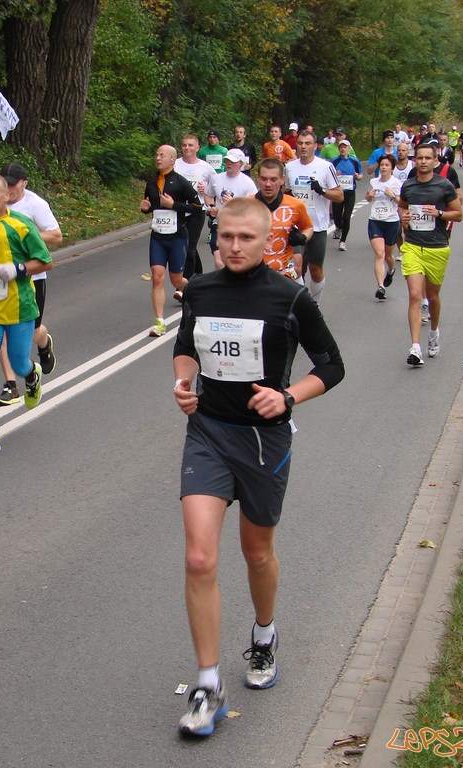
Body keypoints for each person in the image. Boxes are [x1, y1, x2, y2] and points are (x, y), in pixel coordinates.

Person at [171, 196, 344, 737]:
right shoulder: (198, 290)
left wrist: (288, 397)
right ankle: (207, 684)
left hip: (265, 442)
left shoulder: (289, 298)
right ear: (215, 237)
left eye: (246, 238)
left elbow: (332, 365)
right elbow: (185, 347)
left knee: (256, 550)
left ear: (267, 239)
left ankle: (265, 635)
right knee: (200, 558)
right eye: (226, 237)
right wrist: (182, 382)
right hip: (208, 435)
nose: (235, 246)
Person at [0, 172, 53, 451]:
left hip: (19, 308)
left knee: (18, 364)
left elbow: (45, 261)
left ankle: (31, 375)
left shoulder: (20, 225)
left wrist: (17, 269)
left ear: (6, 196)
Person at [0, 163, 62, 407]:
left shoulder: (35, 205)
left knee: (33, 333)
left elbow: (56, 236)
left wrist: (24, 234)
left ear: (24, 183)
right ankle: (11, 385)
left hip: (31, 279)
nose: (9, 188)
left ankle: (44, 343)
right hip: (0, 279)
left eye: (13, 183)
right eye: (5, 183)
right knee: (0, 332)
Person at [398, 143, 463, 366]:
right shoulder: (408, 186)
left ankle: (434, 331)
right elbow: (402, 207)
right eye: (419, 158)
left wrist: (440, 213)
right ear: (415, 161)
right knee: (416, 295)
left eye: (427, 158)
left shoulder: (444, 186)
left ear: (435, 161)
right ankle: (415, 347)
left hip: (437, 246)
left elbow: (459, 214)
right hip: (413, 246)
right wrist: (404, 218)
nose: (423, 161)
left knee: (433, 296)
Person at [141, 145, 201, 336]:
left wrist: (174, 204)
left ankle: (197, 294)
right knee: (157, 277)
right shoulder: (151, 183)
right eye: (156, 155)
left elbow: (197, 207)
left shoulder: (181, 182)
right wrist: (145, 208)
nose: (158, 158)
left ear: (172, 160)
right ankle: (159, 322)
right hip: (158, 238)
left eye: (162, 155)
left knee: (177, 279)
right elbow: (150, 206)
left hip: (177, 238)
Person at [285, 129, 343, 304]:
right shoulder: (289, 167)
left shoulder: (325, 167)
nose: (303, 147)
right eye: (300, 143)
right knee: (295, 268)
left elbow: (340, 195)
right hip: (295, 226)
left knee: (315, 269)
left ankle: (315, 304)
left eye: (307, 143)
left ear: (316, 146)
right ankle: (303, 305)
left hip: (317, 226)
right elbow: (286, 193)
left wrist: (322, 191)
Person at [252, 157, 312, 282]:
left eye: (273, 179)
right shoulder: (246, 204)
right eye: (264, 179)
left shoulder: (296, 204)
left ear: (282, 180)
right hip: (254, 273)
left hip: (285, 273)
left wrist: (302, 238)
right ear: (258, 178)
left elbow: (308, 227)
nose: (268, 184)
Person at [203, 148, 258, 270]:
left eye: (232, 162)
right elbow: (207, 194)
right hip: (219, 225)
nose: (229, 164)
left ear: (240, 164)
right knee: (220, 262)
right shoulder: (217, 178)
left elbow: (254, 209)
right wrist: (211, 207)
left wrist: (233, 204)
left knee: (236, 264)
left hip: (239, 228)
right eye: (227, 160)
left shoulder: (247, 183)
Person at [175, 135, 218, 282]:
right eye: (184, 145)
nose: (187, 148)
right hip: (179, 210)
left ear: (197, 148)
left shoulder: (205, 168)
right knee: (185, 246)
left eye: (190, 145)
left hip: (196, 210)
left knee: (189, 247)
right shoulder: (175, 164)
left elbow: (215, 187)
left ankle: (184, 285)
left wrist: (206, 189)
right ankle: (198, 274)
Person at [366, 154, 403, 300]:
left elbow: (402, 203)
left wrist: (392, 195)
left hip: (392, 222)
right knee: (379, 254)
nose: (383, 168)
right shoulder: (374, 182)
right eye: (382, 165)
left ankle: (391, 270)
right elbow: (368, 199)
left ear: (392, 168)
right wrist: (369, 195)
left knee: (388, 255)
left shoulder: (397, 183)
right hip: (375, 220)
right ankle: (380, 287)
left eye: (387, 165)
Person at [330, 139, 362, 251]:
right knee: (337, 217)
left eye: (345, 147)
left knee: (347, 217)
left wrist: (357, 176)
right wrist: (335, 174)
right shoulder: (334, 161)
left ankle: (342, 241)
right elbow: (328, 175)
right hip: (337, 192)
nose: (343, 149)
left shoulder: (354, 161)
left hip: (350, 192)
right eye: (341, 147)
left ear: (349, 148)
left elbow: (361, 175)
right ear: (339, 149)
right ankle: (338, 227)